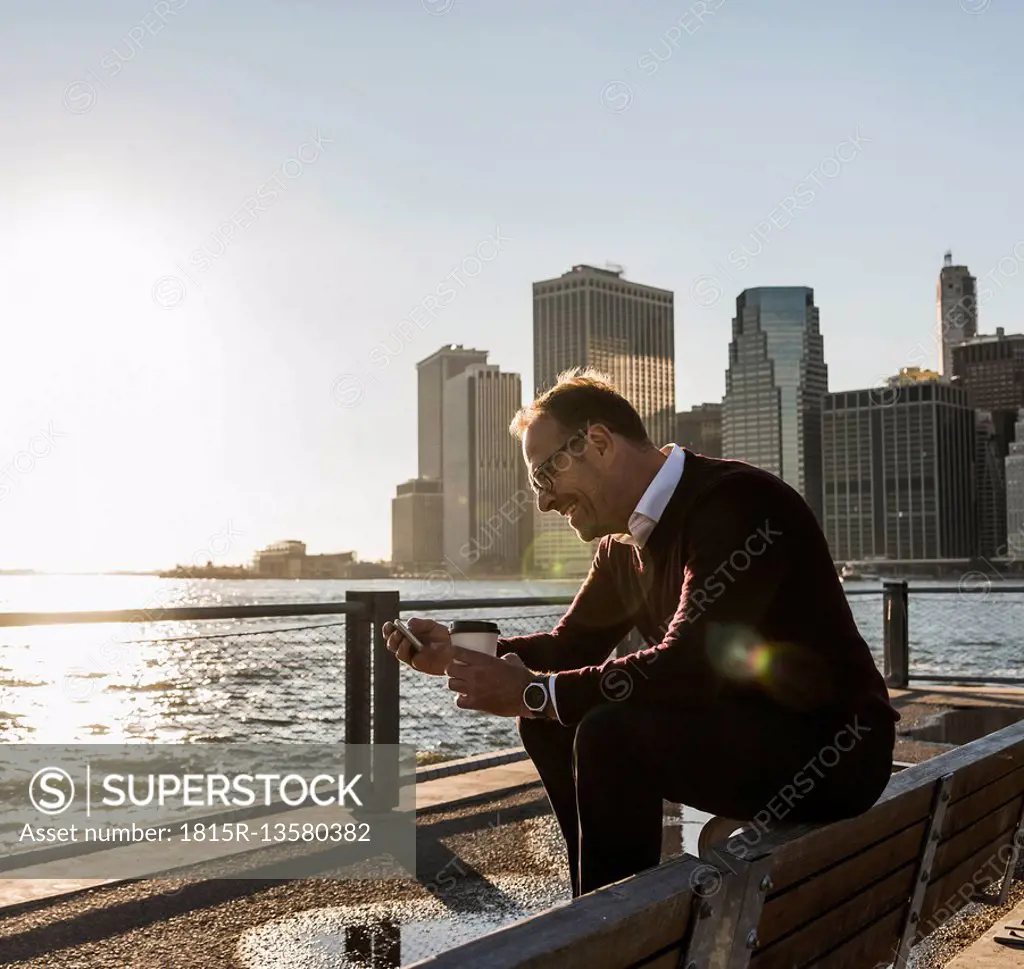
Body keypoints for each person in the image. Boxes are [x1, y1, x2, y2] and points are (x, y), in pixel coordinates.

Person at [385, 368, 899, 898]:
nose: (542, 501)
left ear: (599, 442)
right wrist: (461, 655)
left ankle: (618, 938)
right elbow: (570, 648)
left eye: (544, 476)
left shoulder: (736, 503)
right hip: (742, 730)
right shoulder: (620, 547)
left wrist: (533, 690)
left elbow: (691, 663)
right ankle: (598, 904)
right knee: (548, 721)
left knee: (608, 732)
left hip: (831, 750)